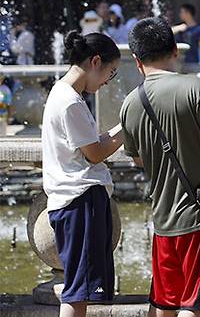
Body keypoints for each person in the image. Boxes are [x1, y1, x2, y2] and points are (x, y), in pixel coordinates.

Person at [120, 17, 200, 316]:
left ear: (136, 60)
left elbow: (137, 159)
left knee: (165, 303)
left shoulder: (131, 103)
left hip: (163, 221)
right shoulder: (194, 88)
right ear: (175, 50)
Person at [42, 31, 123, 317]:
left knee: (79, 289)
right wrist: (127, 127)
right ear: (95, 61)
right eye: (109, 73)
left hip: (74, 200)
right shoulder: (71, 101)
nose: (106, 83)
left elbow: (89, 145)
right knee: (78, 292)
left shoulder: (63, 93)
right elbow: (95, 153)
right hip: (80, 200)